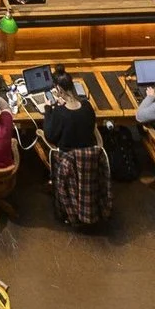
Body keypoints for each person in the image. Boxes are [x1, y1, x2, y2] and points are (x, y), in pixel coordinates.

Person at [37, 65, 111, 227]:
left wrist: (49, 109)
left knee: (37, 138)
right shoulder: (87, 107)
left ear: (58, 90)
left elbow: (49, 135)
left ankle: (50, 181)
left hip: (67, 160)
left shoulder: (60, 114)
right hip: (90, 159)